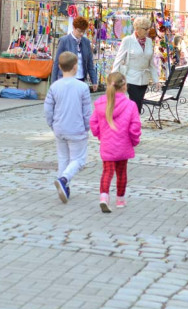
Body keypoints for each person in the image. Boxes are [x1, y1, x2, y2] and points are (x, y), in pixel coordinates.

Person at [45, 51, 93, 204]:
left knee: (63, 158)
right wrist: (87, 126)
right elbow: (87, 110)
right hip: (76, 128)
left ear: (59, 67)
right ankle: (64, 180)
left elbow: (47, 108)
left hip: (59, 128)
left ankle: (64, 187)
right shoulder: (82, 87)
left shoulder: (54, 86)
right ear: (75, 67)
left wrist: (51, 123)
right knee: (79, 159)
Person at [90, 72, 141, 213]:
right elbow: (135, 126)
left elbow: (93, 122)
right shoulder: (131, 105)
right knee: (121, 172)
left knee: (107, 171)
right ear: (125, 87)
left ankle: (104, 196)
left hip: (107, 143)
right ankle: (120, 199)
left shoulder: (101, 103)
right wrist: (134, 141)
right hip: (124, 145)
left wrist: (100, 135)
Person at [113, 16, 158, 113]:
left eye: (148, 28)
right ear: (137, 29)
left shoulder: (149, 41)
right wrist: (112, 78)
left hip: (144, 79)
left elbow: (151, 63)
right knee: (135, 104)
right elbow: (118, 59)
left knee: (138, 105)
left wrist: (156, 80)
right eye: (145, 29)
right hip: (131, 79)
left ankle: (132, 124)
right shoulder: (127, 40)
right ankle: (133, 125)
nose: (147, 31)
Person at [51, 16, 98, 91]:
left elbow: (90, 63)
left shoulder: (86, 42)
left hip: (81, 79)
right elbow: (57, 62)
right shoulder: (64, 41)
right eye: (79, 31)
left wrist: (94, 80)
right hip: (66, 79)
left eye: (83, 31)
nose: (82, 34)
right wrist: (53, 83)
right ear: (74, 28)